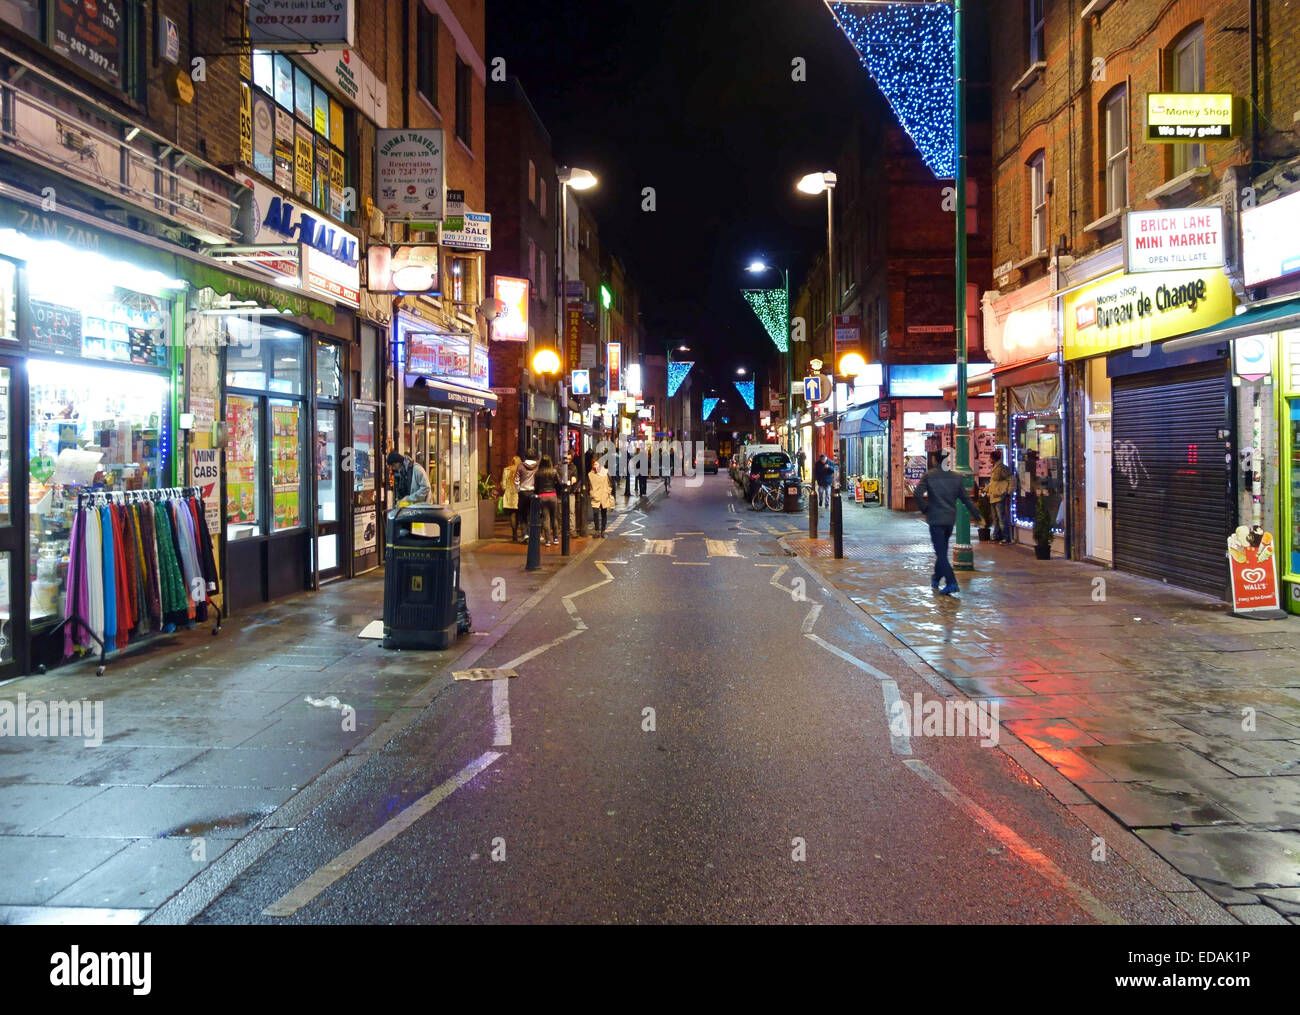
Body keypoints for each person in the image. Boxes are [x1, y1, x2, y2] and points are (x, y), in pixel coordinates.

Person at [914, 450, 982, 596]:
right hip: (950, 520)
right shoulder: (955, 477)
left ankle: (951, 582)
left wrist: (926, 509)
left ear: (934, 460)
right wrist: (976, 515)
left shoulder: (929, 476)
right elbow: (966, 499)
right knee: (942, 551)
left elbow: (917, 494)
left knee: (941, 553)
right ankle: (936, 578)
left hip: (935, 519)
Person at [986, 450, 1014, 544]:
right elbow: (993, 482)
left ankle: (1006, 538)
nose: (989, 459)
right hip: (994, 495)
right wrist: (986, 489)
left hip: (999, 495)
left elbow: (1011, 479)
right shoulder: (995, 467)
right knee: (996, 518)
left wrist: (1009, 492)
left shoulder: (1002, 468)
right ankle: (996, 536)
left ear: (994, 458)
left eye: (990, 457)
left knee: (1001, 517)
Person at [533, 454, 561, 545]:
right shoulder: (554, 471)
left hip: (542, 496)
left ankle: (548, 540)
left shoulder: (538, 473)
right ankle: (556, 538)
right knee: (554, 518)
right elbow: (559, 483)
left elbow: (536, 487)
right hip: (552, 495)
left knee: (546, 518)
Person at [588, 457, 614, 537]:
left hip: (604, 495)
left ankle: (603, 531)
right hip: (595, 496)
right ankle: (597, 531)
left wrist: (608, 491)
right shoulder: (590, 474)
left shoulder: (605, 473)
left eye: (597, 464)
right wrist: (591, 493)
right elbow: (589, 485)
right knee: (595, 513)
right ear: (592, 465)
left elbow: (610, 483)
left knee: (604, 513)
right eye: (594, 464)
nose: (596, 466)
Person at [515, 451, 539, 540]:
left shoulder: (521, 466)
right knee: (533, 514)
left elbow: (517, 480)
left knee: (522, 514)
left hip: (523, 492)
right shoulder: (537, 466)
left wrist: (518, 489)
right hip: (533, 492)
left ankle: (525, 533)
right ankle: (534, 533)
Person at [501, 455, 521, 541]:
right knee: (519, 514)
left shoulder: (506, 470)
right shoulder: (520, 470)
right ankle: (520, 532)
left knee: (512, 514)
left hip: (509, 495)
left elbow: (504, 485)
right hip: (518, 494)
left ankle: (514, 534)